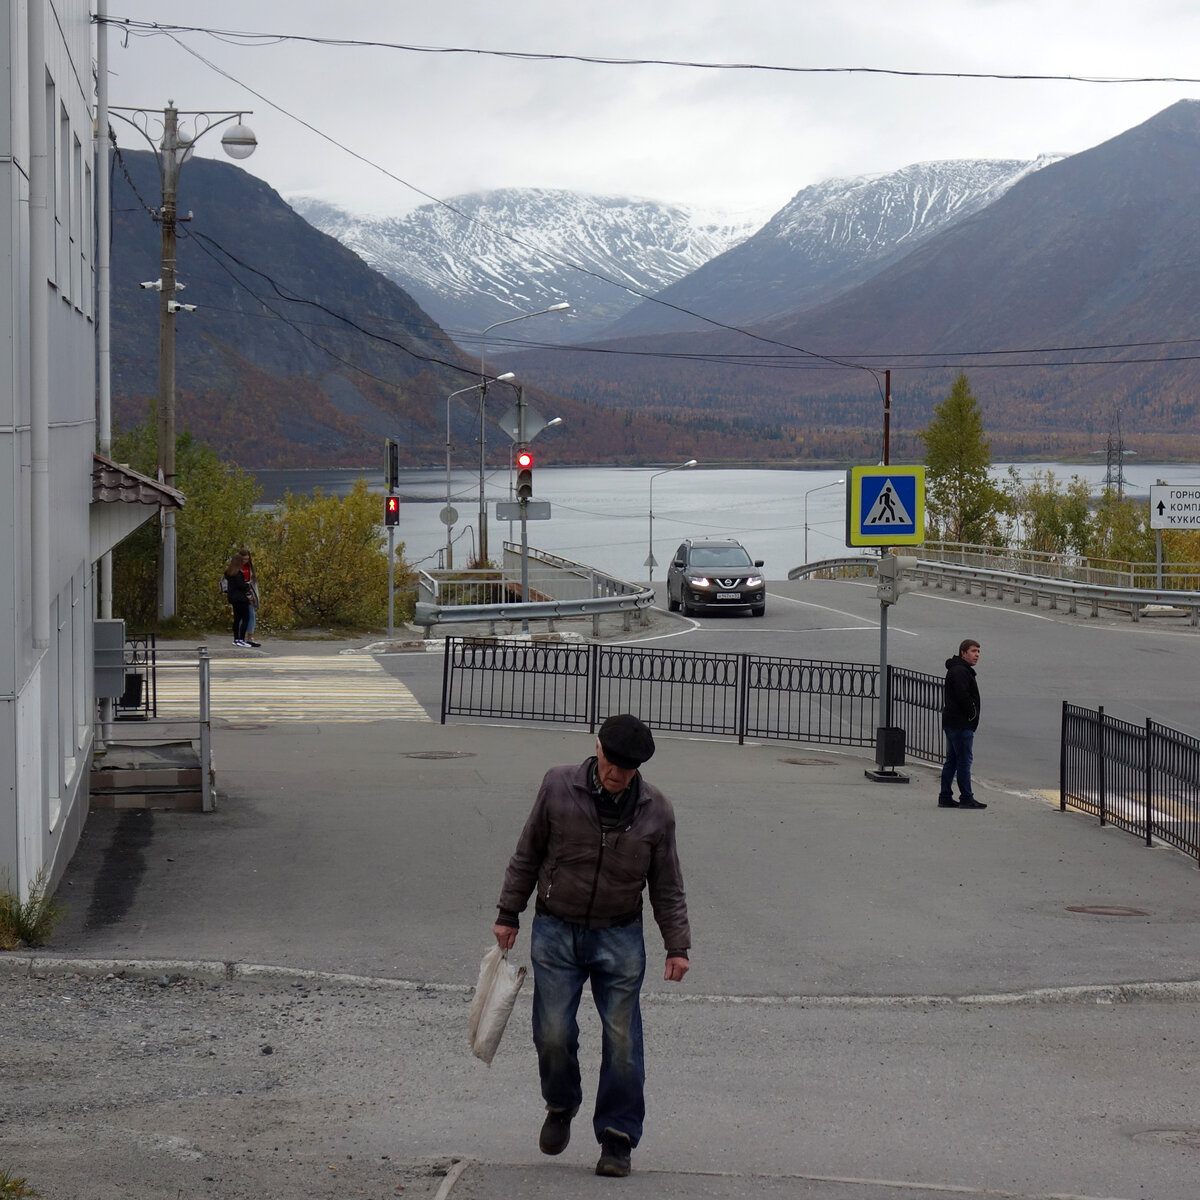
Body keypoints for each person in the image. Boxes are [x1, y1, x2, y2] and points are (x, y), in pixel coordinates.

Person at [493, 714, 691, 1179]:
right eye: (613, 763)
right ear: (597, 748)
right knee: (553, 1033)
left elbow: (667, 885)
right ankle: (561, 1104)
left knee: (623, 1041)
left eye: (629, 768)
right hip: (556, 930)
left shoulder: (656, 809)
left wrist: (676, 945)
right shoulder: (558, 786)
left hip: (618, 935)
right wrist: (508, 913)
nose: (618, 775)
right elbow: (528, 851)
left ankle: (617, 1137)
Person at [939, 638, 986, 809]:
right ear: (963, 653)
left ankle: (945, 796)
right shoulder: (960, 671)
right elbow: (963, 696)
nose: (977, 655)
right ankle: (966, 797)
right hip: (960, 724)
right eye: (974, 651)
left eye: (978, 652)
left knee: (952, 760)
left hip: (953, 722)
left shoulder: (959, 669)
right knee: (964, 761)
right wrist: (972, 714)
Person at [223, 552, 253, 649]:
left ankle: (236, 639)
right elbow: (241, 586)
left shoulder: (228, 572)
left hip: (233, 598)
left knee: (236, 619)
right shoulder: (238, 573)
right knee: (245, 618)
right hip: (241, 598)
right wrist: (247, 583)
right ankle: (241, 639)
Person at [240, 549, 262, 648]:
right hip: (240, 593)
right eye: (244, 559)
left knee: (251, 614)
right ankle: (241, 637)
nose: (246, 561)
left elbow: (253, 581)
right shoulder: (236, 567)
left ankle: (250, 636)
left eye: (247, 559)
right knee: (241, 615)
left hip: (250, 592)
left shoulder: (250, 568)